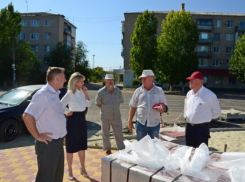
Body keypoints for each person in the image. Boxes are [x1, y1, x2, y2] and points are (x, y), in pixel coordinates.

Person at [22, 67, 69, 182]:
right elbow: (27, 116)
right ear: (57, 78)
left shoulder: (54, 93)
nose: (65, 80)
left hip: (57, 143)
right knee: (46, 179)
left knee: (57, 177)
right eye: (63, 77)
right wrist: (38, 136)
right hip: (48, 145)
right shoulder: (43, 94)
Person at [61, 72, 91, 180]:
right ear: (75, 82)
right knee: (70, 147)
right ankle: (70, 170)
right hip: (72, 121)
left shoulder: (81, 92)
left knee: (82, 146)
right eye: (82, 81)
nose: (83, 82)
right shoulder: (69, 93)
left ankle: (83, 168)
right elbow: (60, 105)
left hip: (82, 119)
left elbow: (88, 104)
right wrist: (66, 111)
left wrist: (86, 93)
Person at [128, 70, 168, 141]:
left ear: (151, 78)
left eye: (144, 78)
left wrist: (163, 109)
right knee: (141, 145)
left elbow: (165, 106)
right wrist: (130, 121)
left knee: (154, 145)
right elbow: (133, 106)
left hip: (154, 123)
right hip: (141, 123)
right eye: (142, 78)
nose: (142, 80)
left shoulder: (159, 91)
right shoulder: (138, 91)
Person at [185, 71, 221, 148]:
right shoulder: (189, 93)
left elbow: (217, 112)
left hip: (201, 128)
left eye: (191, 80)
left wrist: (205, 118)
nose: (189, 82)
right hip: (189, 127)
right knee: (188, 150)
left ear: (198, 82)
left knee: (200, 153)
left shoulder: (210, 95)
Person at [95, 74, 125, 155]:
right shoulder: (101, 92)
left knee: (119, 133)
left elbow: (120, 101)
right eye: (108, 80)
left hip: (117, 116)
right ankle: (107, 149)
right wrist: (106, 109)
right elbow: (98, 104)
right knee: (105, 133)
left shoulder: (118, 91)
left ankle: (121, 149)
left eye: (112, 80)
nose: (111, 81)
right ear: (105, 81)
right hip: (105, 116)